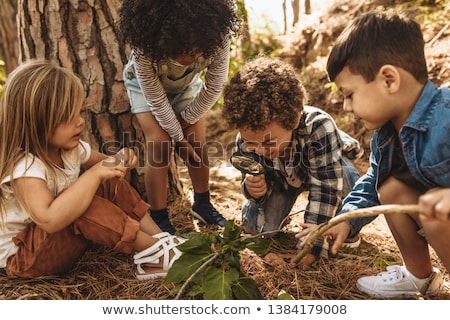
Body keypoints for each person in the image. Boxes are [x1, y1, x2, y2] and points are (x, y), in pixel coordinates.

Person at [302, 11, 450, 297]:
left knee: (435, 206)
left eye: (349, 94)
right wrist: (346, 219)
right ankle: (419, 276)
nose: (346, 107)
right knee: (390, 189)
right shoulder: (385, 135)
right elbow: (371, 181)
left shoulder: (445, 114)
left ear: (389, 80)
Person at [0, 60, 185, 280]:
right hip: (24, 259)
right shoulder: (26, 168)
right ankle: (154, 253)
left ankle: (160, 239)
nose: (80, 122)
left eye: (80, 112)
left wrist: (119, 159)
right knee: (85, 202)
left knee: (108, 181)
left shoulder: (70, 149)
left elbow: (106, 166)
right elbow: (49, 220)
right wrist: (95, 174)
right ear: (36, 123)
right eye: (68, 118)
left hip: (50, 243)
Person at [221, 56, 363, 268]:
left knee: (348, 179)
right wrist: (254, 190)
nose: (259, 150)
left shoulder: (319, 126)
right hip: (281, 181)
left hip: (324, 170)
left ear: (294, 119)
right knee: (254, 227)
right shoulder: (247, 139)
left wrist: (312, 245)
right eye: (252, 144)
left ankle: (347, 227)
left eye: (268, 143)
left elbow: (325, 188)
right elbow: (250, 178)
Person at [119, 0, 239, 234]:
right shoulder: (145, 48)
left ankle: (203, 204)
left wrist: (186, 124)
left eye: (194, 52)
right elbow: (155, 99)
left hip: (185, 89)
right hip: (145, 89)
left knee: (197, 142)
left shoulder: (218, 39)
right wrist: (177, 136)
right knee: (160, 143)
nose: (187, 58)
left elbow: (214, 88)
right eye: (178, 51)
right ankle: (159, 215)